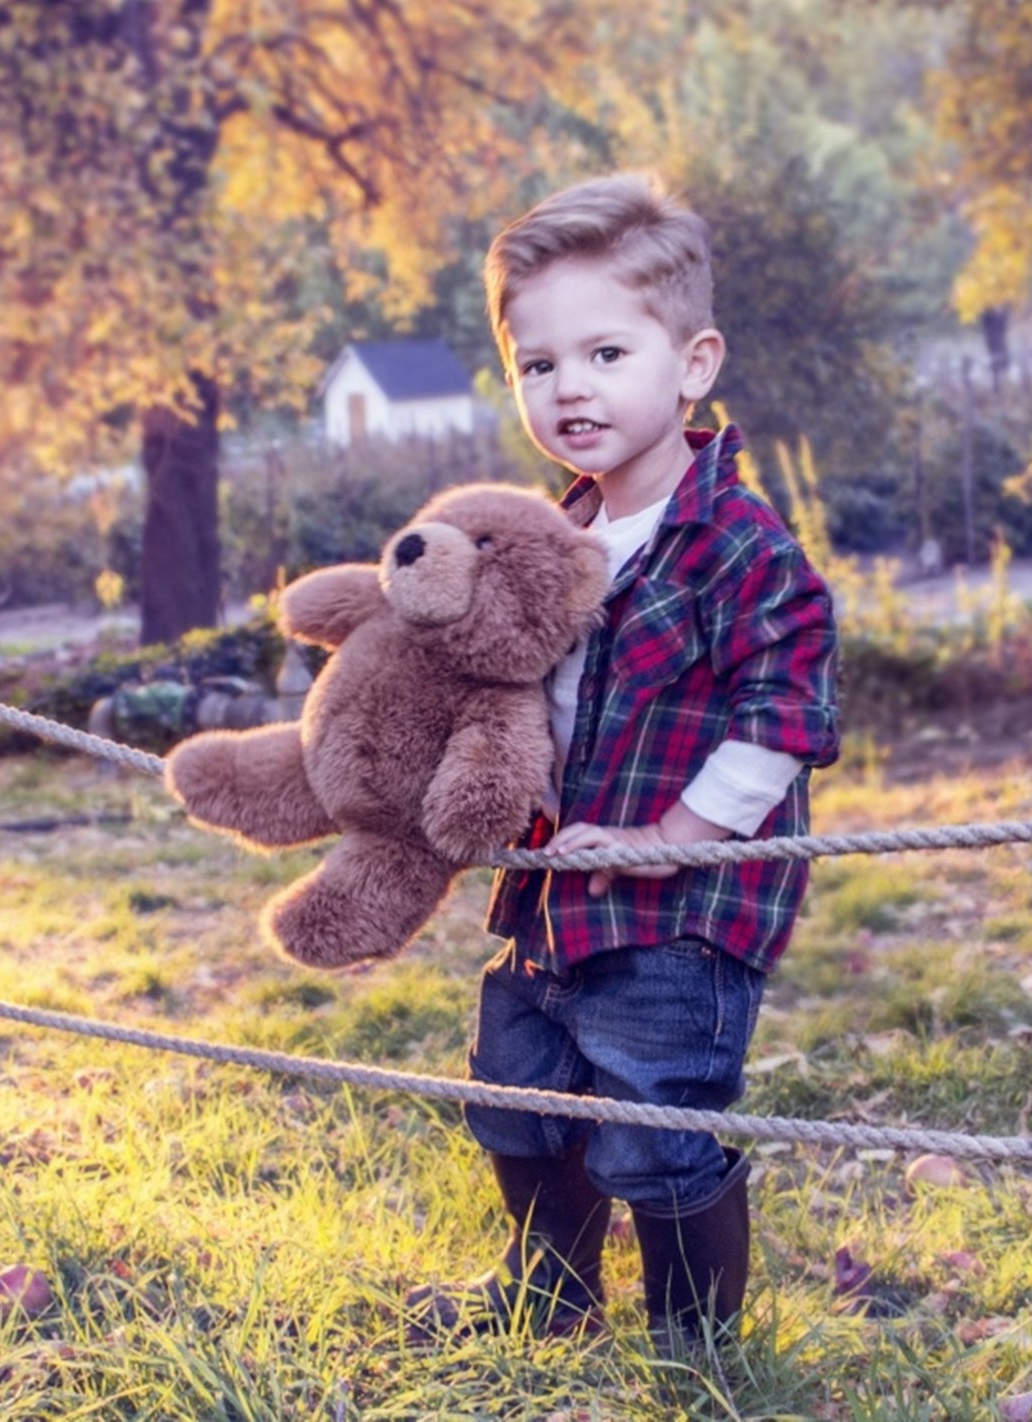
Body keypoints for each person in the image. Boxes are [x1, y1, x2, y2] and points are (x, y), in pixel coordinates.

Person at [405, 172, 840, 1350]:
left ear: (691, 363)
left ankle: (695, 1340)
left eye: (604, 352)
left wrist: (674, 843)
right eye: (539, 365)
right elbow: (517, 694)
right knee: (518, 1098)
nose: (570, 387)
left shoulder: (736, 547)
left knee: (654, 1120)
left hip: (679, 915)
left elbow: (785, 712)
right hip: (552, 894)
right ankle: (549, 1293)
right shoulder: (556, 539)